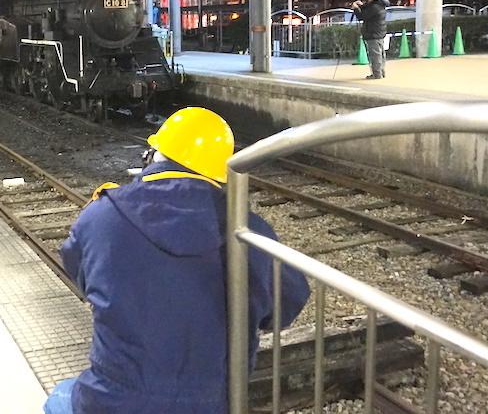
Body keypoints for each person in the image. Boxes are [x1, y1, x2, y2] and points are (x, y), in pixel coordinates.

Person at [44, 107, 310, 414]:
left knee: (59, 398)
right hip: (211, 404)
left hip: (113, 400)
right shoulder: (249, 231)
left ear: (154, 154)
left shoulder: (102, 215)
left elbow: (77, 270)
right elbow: (284, 308)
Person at [352, 0, 389, 79]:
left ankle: (377, 74)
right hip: (379, 33)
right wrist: (362, 6)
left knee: (375, 55)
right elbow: (368, 11)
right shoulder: (379, 5)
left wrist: (356, 9)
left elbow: (363, 16)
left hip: (373, 33)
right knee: (380, 53)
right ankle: (381, 71)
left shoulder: (374, 7)